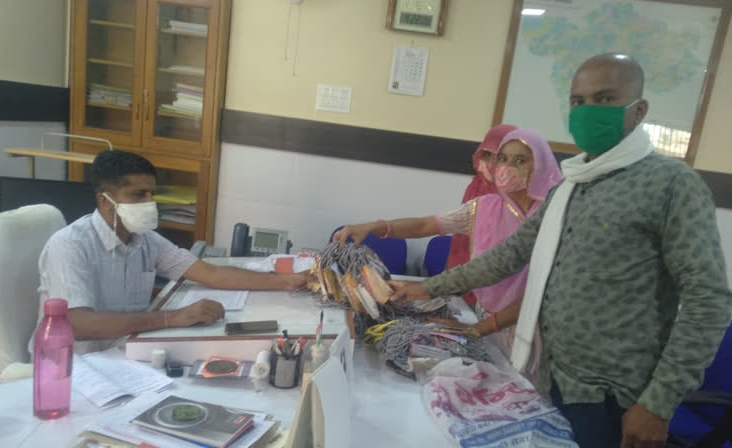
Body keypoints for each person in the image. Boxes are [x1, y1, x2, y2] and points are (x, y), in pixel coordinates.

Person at [390, 54, 732, 448]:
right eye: (578, 101)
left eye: (605, 99)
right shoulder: (570, 184)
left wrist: (660, 401)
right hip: (548, 377)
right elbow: (510, 256)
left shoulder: (672, 185)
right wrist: (428, 288)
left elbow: (708, 300)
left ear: (639, 109)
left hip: (618, 399)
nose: (588, 110)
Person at [333, 128, 562, 371]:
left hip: (529, 329)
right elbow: (426, 224)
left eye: (521, 160)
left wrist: (480, 328)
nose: (507, 167)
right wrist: (372, 227)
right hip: (484, 318)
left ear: (542, 164)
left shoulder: (554, 216)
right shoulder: (484, 207)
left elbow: (543, 292)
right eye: (503, 158)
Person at [37, 150, 308, 353]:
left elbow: (210, 273)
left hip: (127, 353)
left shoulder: (145, 240)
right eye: (138, 195)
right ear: (104, 201)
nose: (150, 202)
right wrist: (172, 317)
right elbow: (78, 324)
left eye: (152, 194)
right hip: (75, 368)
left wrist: (286, 281)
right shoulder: (70, 245)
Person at [447, 124, 516, 280]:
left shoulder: (518, 192)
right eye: (486, 155)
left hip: (497, 274)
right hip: (462, 267)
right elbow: (460, 231)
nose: (490, 162)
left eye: (499, 156)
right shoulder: (475, 186)